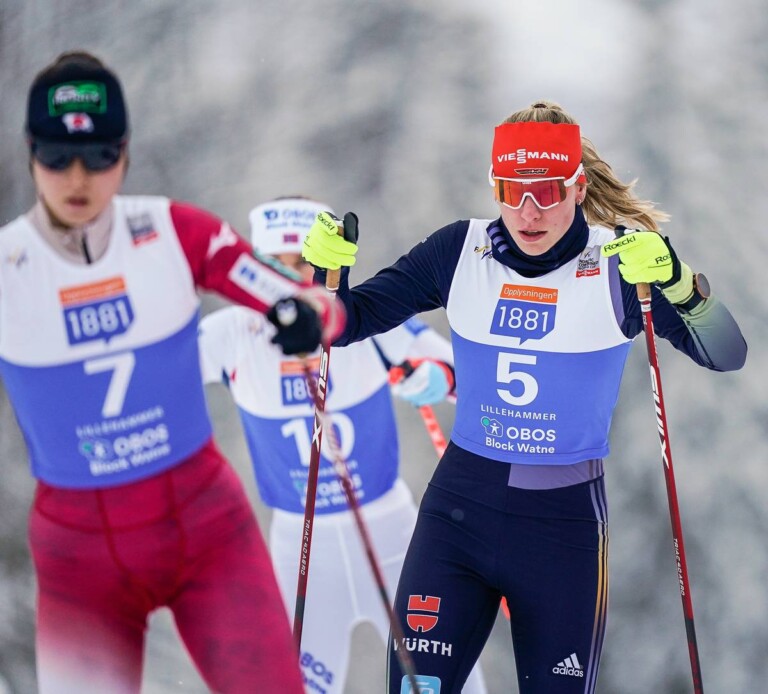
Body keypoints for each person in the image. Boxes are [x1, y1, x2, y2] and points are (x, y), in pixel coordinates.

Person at [298, 101, 748, 693]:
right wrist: (320, 275)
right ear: (496, 188)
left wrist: (678, 281)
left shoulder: (619, 264)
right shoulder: (458, 252)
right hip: (458, 515)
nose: (528, 212)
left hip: (562, 530)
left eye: (548, 193)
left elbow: (725, 352)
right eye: (512, 192)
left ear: (578, 187)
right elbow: (340, 323)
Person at [0, 50, 338, 694]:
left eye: (99, 157)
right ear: (30, 154)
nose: (78, 177)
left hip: (205, 530)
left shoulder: (173, 230)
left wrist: (308, 313)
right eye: (55, 157)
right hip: (81, 563)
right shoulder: (7, 264)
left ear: (124, 153)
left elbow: (296, 298)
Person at [198, 196, 488, 694]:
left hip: (393, 537)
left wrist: (435, 377)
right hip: (299, 545)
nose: (288, 283)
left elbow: (473, 379)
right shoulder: (231, 334)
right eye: (274, 265)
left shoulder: (364, 324)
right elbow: (150, 380)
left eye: (304, 265)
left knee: (445, 684)